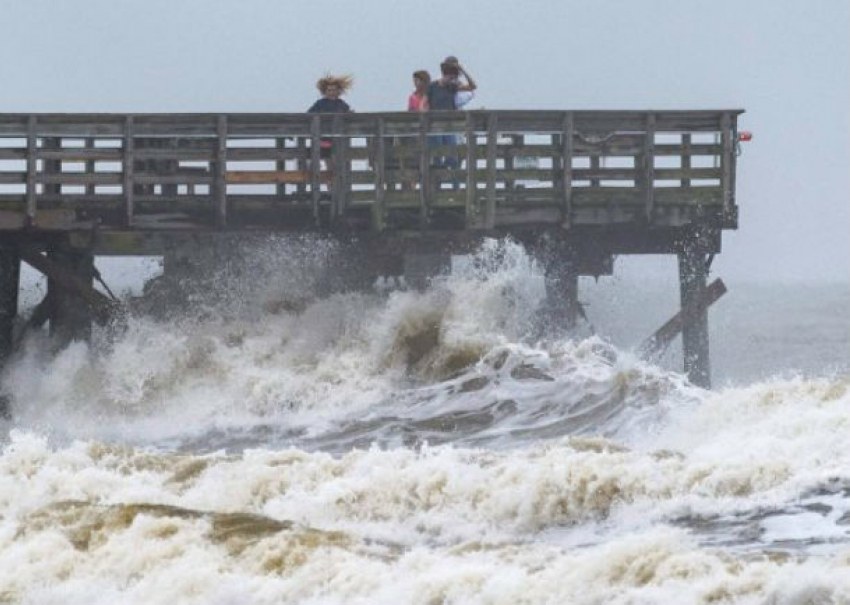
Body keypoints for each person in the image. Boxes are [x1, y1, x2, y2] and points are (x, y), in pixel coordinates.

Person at [307, 74, 353, 181]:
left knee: (337, 166)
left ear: (338, 91)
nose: (331, 92)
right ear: (325, 91)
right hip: (323, 138)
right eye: (329, 90)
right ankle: (329, 186)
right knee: (327, 163)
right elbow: (309, 115)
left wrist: (350, 115)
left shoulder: (341, 104)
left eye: (334, 90)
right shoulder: (320, 103)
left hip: (337, 139)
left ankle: (334, 187)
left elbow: (348, 114)